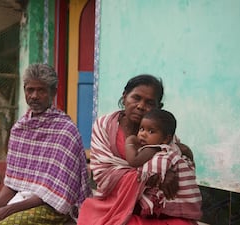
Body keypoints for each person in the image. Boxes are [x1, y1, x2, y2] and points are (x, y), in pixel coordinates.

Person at [0, 63, 92, 225]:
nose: (34, 95)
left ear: (53, 92)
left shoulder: (65, 131)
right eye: (30, 90)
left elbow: (55, 193)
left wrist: (7, 211)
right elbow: (12, 183)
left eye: (41, 90)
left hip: (51, 206)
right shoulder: (19, 129)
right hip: (20, 201)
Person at [77, 74, 201, 225]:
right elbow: (103, 172)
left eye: (149, 102)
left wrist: (170, 171)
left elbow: (180, 162)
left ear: (158, 107)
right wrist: (155, 176)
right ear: (124, 97)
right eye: (136, 98)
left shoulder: (163, 133)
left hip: (158, 209)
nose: (141, 106)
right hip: (114, 204)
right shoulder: (104, 126)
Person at [125, 108, 202, 219]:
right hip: (188, 204)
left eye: (151, 131)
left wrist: (129, 142)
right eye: (141, 129)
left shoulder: (153, 148)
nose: (143, 134)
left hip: (169, 204)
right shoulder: (172, 148)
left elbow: (134, 161)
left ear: (166, 139)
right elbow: (187, 151)